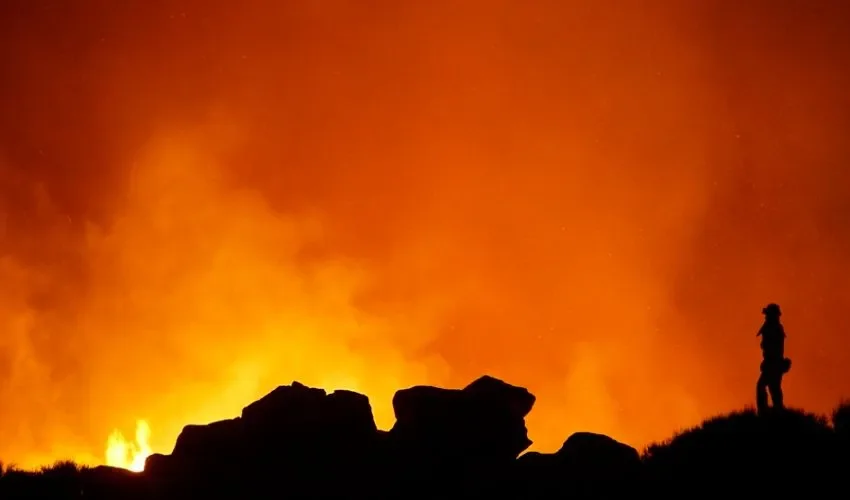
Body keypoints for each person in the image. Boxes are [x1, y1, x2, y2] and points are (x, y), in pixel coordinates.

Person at [756, 303, 791, 413]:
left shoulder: (774, 329)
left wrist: (769, 363)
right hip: (772, 364)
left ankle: (766, 412)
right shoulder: (772, 328)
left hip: (773, 364)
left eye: (767, 314)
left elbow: (774, 349)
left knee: (765, 387)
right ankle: (775, 411)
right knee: (773, 388)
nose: (765, 317)